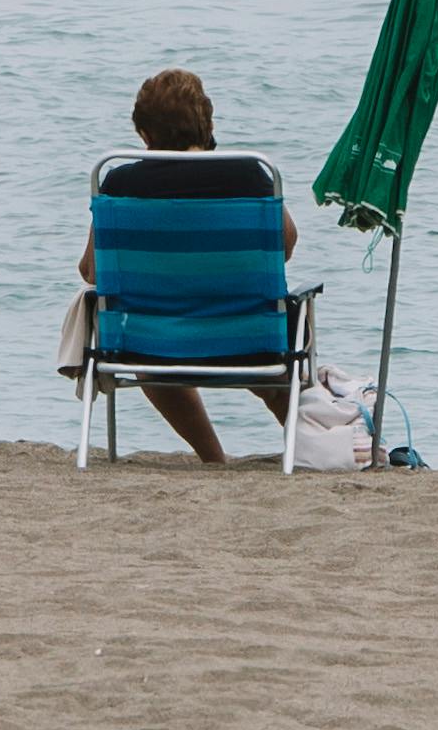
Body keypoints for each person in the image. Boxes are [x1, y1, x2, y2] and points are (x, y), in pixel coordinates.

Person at [77, 65, 298, 466]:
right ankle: (307, 445)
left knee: (148, 349)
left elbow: (92, 271)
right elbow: (285, 245)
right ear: (206, 123)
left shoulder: (119, 184)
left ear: (144, 134)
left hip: (150, 347)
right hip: (247, 341)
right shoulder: (249, 174)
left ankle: (214, 459)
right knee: (273, 358)